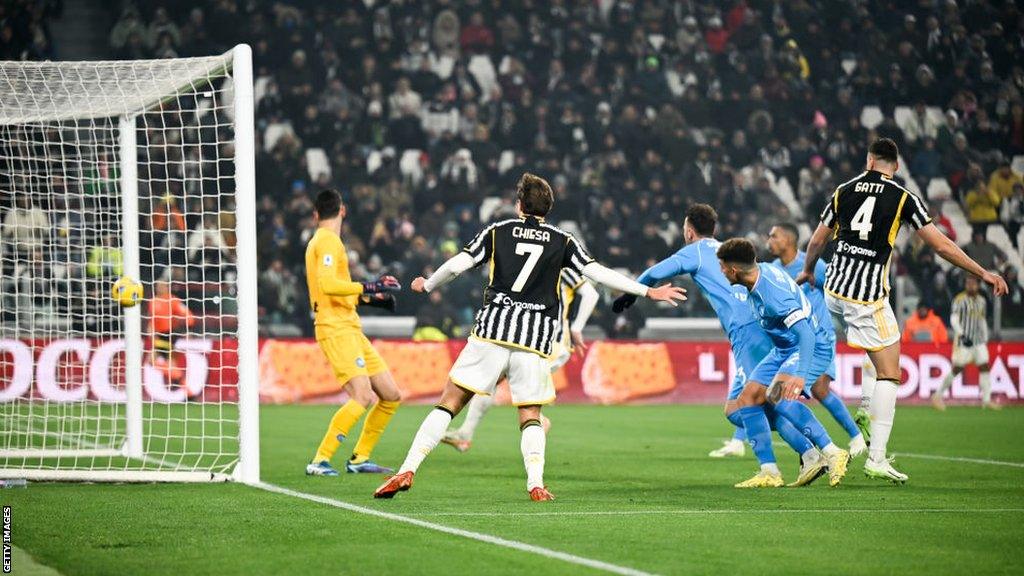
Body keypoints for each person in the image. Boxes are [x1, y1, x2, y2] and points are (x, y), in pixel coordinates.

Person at [373, 173, 685, 501]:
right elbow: (598, 274)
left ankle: (408, 468)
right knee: (530, 416)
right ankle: (535, 483)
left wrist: (429, 284)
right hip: (534, 341)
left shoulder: (497, 232)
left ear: (519, 204)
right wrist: (648, 291)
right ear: (548, 208)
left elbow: (457, 265)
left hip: (492, 332)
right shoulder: (563, 240)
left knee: (449, 403)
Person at [799, 138, 1008, 484]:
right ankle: (877, 457)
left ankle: (866, 408)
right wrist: (982, 272)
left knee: (877, 348)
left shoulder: (843, 190)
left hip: (833, 291)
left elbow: (818, 240)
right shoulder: (903, 197)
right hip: (866, 297)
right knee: (891, 371)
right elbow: (940, 245)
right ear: (896, 166)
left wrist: (808, 269)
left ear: (869, 161)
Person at [613, 204, 817, 463]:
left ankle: (811, 451)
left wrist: (631, 294)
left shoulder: (694, 252)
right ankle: (808, 451)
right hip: (761, 324)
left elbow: (654, 273)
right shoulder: (724, 252)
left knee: (756, 402)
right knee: (743, 406)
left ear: (688, 231)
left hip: (746, 331)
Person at [717, 238, 850, 488]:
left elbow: (807, 335)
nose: (721, 272)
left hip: (806, 346)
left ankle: (833, 451)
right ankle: (771, 471)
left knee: (780, 396)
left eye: (723, 267)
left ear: (733, 270)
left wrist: (799, 375)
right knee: (745, 401)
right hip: (783, 349)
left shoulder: (771, 295)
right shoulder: (762, 271)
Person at [440, 268, 599, 452]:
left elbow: (590, 294)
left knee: (519, 390)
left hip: (551, 343)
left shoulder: (561, 265)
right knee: (490, 380)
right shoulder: (538, 263)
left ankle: (537, 426)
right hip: (529, 339)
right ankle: (465, 434)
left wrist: (577, 327)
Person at [304, 189, 404, 477]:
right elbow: (328, 285)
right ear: (343, 210)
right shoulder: (327, 241)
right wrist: (369, 286)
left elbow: (338, 290)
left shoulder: (327, 242)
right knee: (363, 396)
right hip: (335, 329)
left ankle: (359, 459)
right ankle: (320, 460)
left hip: (350, 327)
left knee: (390, 394)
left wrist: (374, 300)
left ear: (315, 214)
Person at [767, 223, 866, 455]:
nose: (769, 240)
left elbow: (838, 290)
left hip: (820, 336)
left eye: (774, 236)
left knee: (815, 389)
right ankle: (841, 441)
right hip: (793, 340)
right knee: (806, 392)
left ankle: (841, 441)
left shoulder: (813, 265)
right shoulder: (774, 268)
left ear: (789, 240)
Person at [932, 276, 998, 410]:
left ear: (978, 285)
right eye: (968, 283)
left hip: (978, 341)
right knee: (958, 368)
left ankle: (986, 400)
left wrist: (985, 336)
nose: (970, 286)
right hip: (963, 341)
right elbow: (954, 319)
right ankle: (937, 396)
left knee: (984, 366)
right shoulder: (959, 300)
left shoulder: (981, 300)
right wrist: (962, 334)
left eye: (973, 283)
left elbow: (982, 320)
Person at [148, 280, 196, 395]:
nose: (160, 287)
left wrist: (187, 328)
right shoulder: (152, 301)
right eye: (158, 285)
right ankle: (188, 392)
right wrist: (151, 330)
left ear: (167, 287)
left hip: (169, 334)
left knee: (153, 361)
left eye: (162, 285)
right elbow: (152, 320)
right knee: (170, 364)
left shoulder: (173, 300)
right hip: (160, 336)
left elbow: (188, 315)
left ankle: (181, 381)